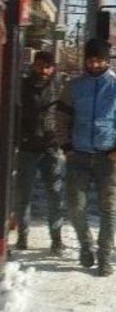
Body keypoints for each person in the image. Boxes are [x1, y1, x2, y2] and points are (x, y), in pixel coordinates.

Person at [56, 38, 116, 277]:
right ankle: (85, 245)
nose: (95, 64)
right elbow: (61, 118)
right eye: (91, 60)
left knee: (108, 209)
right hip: (78, 156)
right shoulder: (73, 87)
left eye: (100, 60)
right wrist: (66, 145)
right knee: (75, 206)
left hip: (109, 157)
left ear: (107, 60)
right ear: (85, 60)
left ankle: (105, 258)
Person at [14, 51, 64, 254]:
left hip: (50, 147)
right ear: (34, 65)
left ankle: (57, 239)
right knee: (23, 194)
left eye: (47, 66)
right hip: (27, 147)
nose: (43, 70)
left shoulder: (60, 87)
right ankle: (22, 236)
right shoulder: (21, 86)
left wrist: (62, 140)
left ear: (53, 68)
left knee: (55, 194)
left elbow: (66, 115)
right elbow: (15, 113)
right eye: (40, 65)